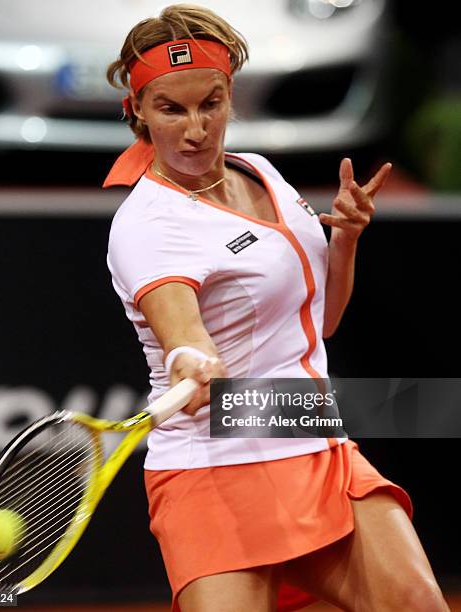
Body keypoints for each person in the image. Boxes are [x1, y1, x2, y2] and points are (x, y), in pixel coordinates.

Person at [103, 5, 449, 611]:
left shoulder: (261, 172)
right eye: (171, 109)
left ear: (229, 94)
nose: (195, 129)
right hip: (211, 462)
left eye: (210, 104)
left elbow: (323, 324)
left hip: (309, 434)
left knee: (419, 604)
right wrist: (192, 358)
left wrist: (343, 242)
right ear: (137, 112)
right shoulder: (146, 227)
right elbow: (181, 332)